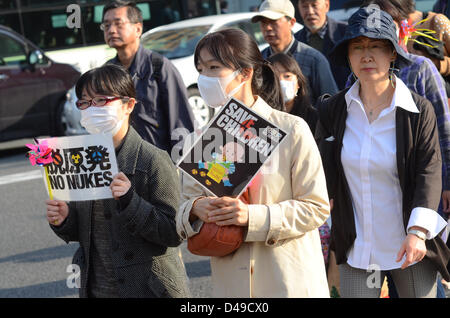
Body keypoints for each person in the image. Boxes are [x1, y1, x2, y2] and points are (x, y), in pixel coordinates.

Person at [176, 28, 331, 297]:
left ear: (245, 73)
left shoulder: (291, 129)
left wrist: (251, 217)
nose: (204, 78)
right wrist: (197, 208)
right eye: (201, 69)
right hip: (232, 285)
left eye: (214, 67)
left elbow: (315, 208)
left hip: (288, 281)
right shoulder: (202, 138)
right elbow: (181, 209)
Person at [316, 7, 450, 298]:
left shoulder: (417, 111)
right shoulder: (333, 110)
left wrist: (417, 232)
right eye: (358, 47)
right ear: (348, 56)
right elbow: (321, 173)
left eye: (376, 46)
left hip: (408, 243)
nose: (366, 55)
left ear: (392, 53)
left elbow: (429, 172)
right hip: (358, 246)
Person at [46, 64, 190, 298]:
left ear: (129, 105)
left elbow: (172, 233)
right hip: (97, 287)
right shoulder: (80, 158)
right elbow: (85, 230)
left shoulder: (152, 159)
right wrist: (64, 219)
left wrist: (130, 201)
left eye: (101, 101)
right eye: (84, 103)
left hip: (147, 288)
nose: (92, 109)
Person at [362, 0, 450, 297]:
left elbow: (444, 129)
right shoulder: (358, 76)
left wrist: (447, 185)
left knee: (421, 269)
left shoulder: (421, 68)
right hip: (378, 197)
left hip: (422, 189)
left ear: (399, 24)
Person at [102, 1, 195, 159]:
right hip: (122, 166)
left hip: (158, 166)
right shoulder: (106, 72)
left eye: (118, 24)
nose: (111, 30)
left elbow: (181, 121)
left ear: (138, 29)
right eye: (106, 25)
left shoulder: (159, 67)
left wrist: (180, 165)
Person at [252, 0, 338, 105]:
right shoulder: (259, 60)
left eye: (273, 22)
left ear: (291, 23)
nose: (268, 28)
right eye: (263, 23)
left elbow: (332, 105)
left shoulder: (314, 59)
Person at [295, 0, 351, 90]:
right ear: (298, 8)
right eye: (305, 6)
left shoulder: (347, 34)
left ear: (327, 5)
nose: (310, 11)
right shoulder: (295, 42)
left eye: (314, 5)